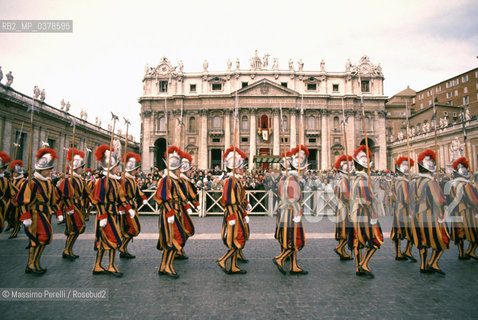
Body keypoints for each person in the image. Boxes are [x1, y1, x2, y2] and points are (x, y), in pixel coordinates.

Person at [17, 148, 61, 274]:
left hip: (45, 213)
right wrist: (26, 217)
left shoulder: (48, 183)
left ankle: (35, 263)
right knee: (39, 239)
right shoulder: (31, 182)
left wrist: (58, 212)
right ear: (41, 170)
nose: (50, 171)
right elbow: (22, 200)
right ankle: (31, 264)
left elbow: (54, 200)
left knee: (42, 240)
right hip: (35, 214)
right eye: (48, 169)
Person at [91, 145, 131, 277]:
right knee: (113, 239)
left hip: (112, 214)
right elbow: (98, 200)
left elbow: (121, 197)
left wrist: (129, 208)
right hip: (105, 215)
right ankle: (111, 266)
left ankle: (97, 265)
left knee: (104, 241)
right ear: (110, 168)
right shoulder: (102, 182)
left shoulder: (115, 182)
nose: (118, 168)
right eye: (116, 167)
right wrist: (102, 216)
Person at [411, 149, 449, 275]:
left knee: (423, 240)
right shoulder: (431, 182)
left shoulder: (415, 182)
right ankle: (433, 262)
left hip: (418, 215)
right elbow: (438, 200)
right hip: (430, 215)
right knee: (442, 239)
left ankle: (423, 265)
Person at [272, 146, 308, 275]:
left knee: (291, 239)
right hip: (291, 213)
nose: (305, 171)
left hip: (285, 212)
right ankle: (280, 258)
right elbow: (293, 199)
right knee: (294, 239)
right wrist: (298, 213)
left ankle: (294, 266)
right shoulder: (293, 179)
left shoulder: (287, 178)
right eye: (303, 169)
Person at [349, 145, 383, 278]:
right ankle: (364, 264)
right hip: (364, 214)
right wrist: (374, 213)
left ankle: (358, 267)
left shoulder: (354, 179)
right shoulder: (363, 180)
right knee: (375, 240)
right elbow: (368, 199)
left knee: (357, 241)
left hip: (354, 214)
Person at [154, 146, 188, 278]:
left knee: (172, 239)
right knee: (174, 240)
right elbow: (163, 198)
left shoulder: (173, 180)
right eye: (179, 168)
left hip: (173, 213)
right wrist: (170, 213)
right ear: (174, 168)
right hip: (168, 214)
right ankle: (167, 266)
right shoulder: (165, 180)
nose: (180, 170)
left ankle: (164, 266)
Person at [217, 146, 250, 274]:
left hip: (238, 212)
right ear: (235, 168)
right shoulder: (230, 181)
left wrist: (245, 208)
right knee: (237, 239)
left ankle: (234, 265)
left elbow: (240, 198)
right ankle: (223, 260)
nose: (243, 169)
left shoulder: (236, 180)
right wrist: (231, 216)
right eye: (241, 167)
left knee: (239, 237)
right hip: (233, 213)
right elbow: (227, 200)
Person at [445, 157, 478, 260]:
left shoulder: (451, 185)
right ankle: (471, 251)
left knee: (459, 234)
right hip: (467, 211)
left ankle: (461, 253)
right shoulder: (466, 185)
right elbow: (473, 200)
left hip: (455, 212)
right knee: (475, 232)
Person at [59, 148, 87, 260]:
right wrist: (70, 208)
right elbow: (65, 195)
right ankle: (66, 250)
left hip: (78, 206)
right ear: (75, 168)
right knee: (73, 230)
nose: (82, 169)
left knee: (77, 230)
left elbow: (85, 192)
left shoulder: (80, 180)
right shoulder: (68, 180)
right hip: (72, 207)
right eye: (80, 167)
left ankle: (69, 250)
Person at [119, 153, 147, 259]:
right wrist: (128, 208)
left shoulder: (132, 180)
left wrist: (143, 198)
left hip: (132, 207)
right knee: (134, 228)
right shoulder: (124, 180)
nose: (136, 171)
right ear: (131, 170)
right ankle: (122, 247)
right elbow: (122, 196)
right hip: (126, 208)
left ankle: (124, 249)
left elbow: (138, 191)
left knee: (130, 229)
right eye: (135, 169)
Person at [390, 156, 417, 262]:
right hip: (405, 209)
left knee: (398, 232)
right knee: (412, 231)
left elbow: (392, 196)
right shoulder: (405, 182)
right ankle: (408, 251)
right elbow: (407, 199)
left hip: (397, 208)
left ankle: (398, 253)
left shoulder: (395, 181)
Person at [176, 150, 199, 259]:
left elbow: (191, 194)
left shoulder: (185, 181)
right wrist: (187, 206)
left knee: (188, 229)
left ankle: (179, 248)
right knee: (179, 231)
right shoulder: (178, 181)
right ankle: (176, 250)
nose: (191, 172)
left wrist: (197, 204)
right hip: (177, 210)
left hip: (183, 209)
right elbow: (180, 196)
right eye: (190, 170)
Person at [333, 154, 354, 261]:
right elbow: (346, 196)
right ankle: (340, 248)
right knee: (347, 230)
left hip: (340, 207)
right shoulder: (345, 181)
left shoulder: (340, 180)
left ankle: (342, 251)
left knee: (343, 231)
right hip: (345, 208)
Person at [8, 160, 26, 238]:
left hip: (19, 201)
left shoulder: (23, 181)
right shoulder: (13, 180)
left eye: (15, 172)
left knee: (16, 217)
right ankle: (11, 225)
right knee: (8, 214)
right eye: (13, 172)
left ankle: (15, 230)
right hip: (11, 201)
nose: (14, 174)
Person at [0, 152, 15, 233]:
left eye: (2, 168)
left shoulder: (5, 180)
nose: (2, 169)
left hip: (1, 205)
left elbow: (10, 193)